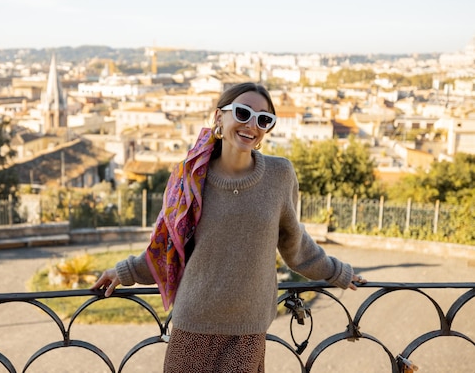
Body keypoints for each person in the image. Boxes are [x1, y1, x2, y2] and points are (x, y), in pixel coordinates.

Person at [92, 82, 366, 372]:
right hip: (193, 324)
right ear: (219, 117)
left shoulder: (280, 175)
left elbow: (294, 246)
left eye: (264, 119)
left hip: (247, 329)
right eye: (243, 112)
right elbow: (169, 249)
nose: (252, 125)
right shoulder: (192, 176)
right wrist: (124, 272)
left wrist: (337, 272)